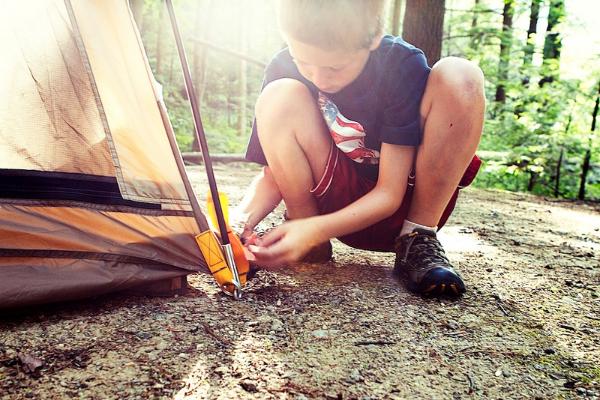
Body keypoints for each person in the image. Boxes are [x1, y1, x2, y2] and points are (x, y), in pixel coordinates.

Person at [233, 0, 485, 297]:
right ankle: (308, 241)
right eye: (304, 61)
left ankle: (418, 240)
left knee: (461, 75)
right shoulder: (283, 67)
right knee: (279, 94)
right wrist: (238, 221)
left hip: (403, 205)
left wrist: (314, 229)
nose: (319, 78)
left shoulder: (400, 65)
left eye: (335, 67)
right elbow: (273, 175)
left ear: (373, 39)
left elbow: (389, 194)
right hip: (324, 210)